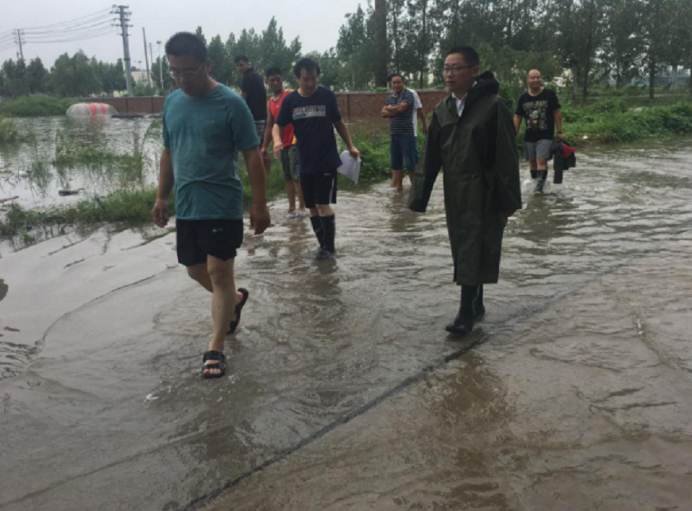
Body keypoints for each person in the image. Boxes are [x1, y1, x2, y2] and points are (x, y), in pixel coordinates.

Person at [153, 33, 270, 379]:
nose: (182, 79)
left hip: (222, 202)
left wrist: (260, 205)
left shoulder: (231, 103)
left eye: (188, 71)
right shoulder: (173, 103)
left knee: (219, 273)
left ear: (206, 65)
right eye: (175, 72)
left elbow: (252, 154)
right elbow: (169, 152)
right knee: (193, 268)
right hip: (187, 205)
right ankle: (234, 300)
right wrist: (161, 196)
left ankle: (216, 347)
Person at [408, 46, 522, 336]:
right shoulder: (443, 110)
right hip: (455, 191)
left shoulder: (493, 107)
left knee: (473, 245)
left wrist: (508, 200)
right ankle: (477, 303)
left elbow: (507, 156)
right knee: (464, 246)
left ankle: (465, 313)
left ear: (473, 71)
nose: (448, 74)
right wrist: (419, 195)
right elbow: (431, 155)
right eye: (445, 68)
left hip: (484, 191)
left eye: (455, 68)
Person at [274, 57, 360, 260]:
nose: (310, 83)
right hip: (305, 160)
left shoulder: (326, 96)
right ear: (297, 79)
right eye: (306, 79)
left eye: (313, 78)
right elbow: (278, 125)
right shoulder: (291, 101)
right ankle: (322, 246)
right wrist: (277, 141)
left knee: (322, 205)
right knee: (311, 207)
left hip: (326, 160)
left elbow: (339, 123)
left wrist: (351, 145)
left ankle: (329, 250)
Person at [261, 67, 307, 219]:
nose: (275, 83)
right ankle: (291, 208)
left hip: (295, 141)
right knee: (287, 176)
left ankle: (302, 207)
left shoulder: (290, 95)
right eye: (272, 80)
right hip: (281, 144)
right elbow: (269, 125)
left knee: (297, 176)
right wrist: (264, 146)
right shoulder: (270, 103)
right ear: (267, 83)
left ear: (282, 80)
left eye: (278, 80)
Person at [513, 69, 564, 195]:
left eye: (538, 77)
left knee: (541, 160)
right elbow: (518, 117)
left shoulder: (549, 95)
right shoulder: (523, 98)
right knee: (532, 162)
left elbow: (556, 112)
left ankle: (539, 188)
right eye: (533, 78)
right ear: (527, 80)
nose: (536, 80)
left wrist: (560, 131)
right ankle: (535, 183)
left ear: (541, 79)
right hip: (529, 135)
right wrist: (513, 134)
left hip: (545, 135)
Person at [235, 55, 271, 174]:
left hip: (254, 117)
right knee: (262, 146)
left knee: (255, 148)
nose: (239, 68)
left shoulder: (248, 77)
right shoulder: (257, 76)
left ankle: (259, 174)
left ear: (247, 64)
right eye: (237, 66)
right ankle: (268, 173)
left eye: (241, 65)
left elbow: (243, 98)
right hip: (262, 115)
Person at [382, 73, 416, 193]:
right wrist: (395, 109)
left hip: (406, 134)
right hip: (394, 135)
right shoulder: (389, 98)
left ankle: (416, 190)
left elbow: (402, 108)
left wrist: (390, 108)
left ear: (403, 83)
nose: (396, 85)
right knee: (396, 164)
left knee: (410, 163)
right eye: (394, 82)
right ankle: (399, 190)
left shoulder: (409, 95)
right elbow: (383, 113)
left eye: (398, 82)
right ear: (391, 84)